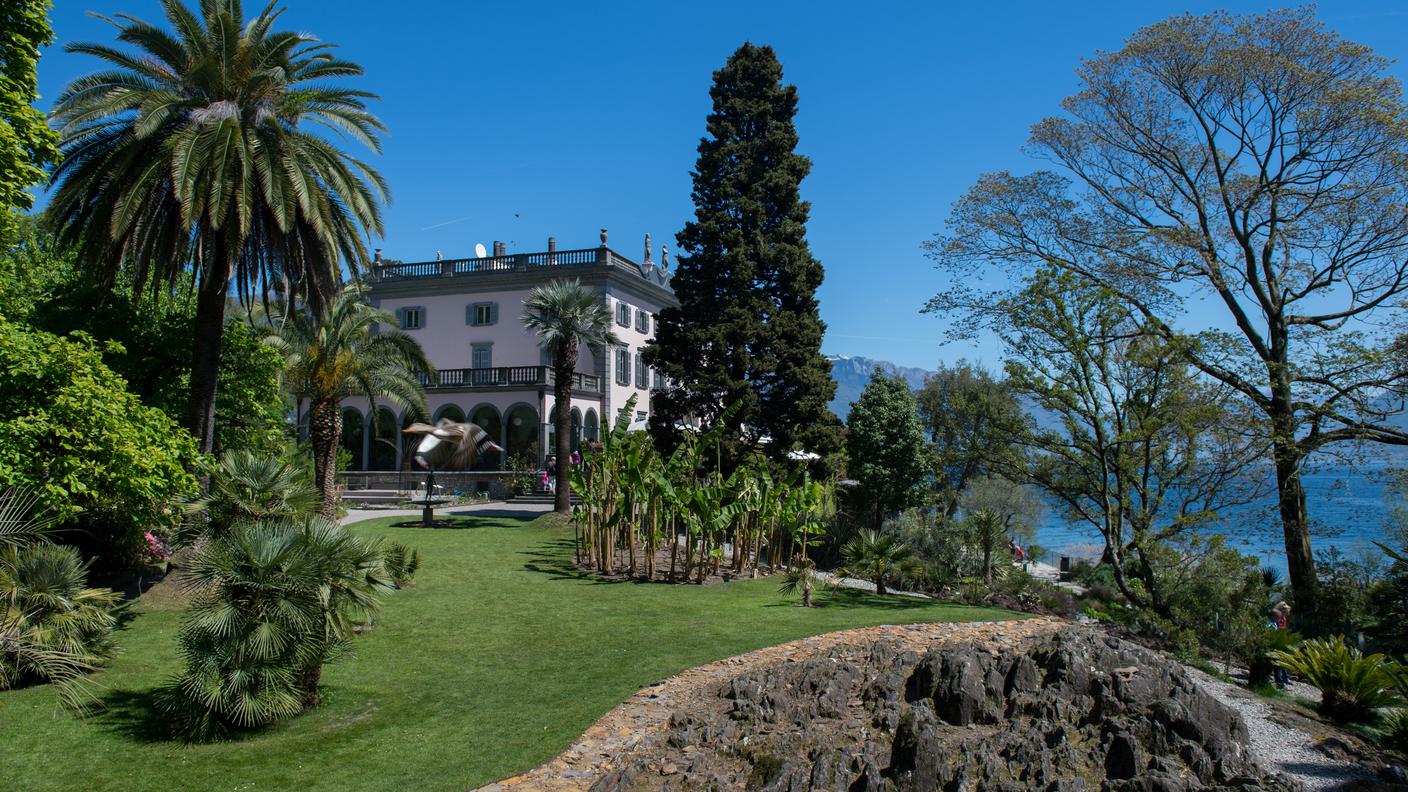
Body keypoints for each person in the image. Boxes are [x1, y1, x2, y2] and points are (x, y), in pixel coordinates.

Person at [1268, 602, 1291, 688]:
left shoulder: (1283, 619)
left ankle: (1284, 679)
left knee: (1282, 661)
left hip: (1280, 640)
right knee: (1277, 663)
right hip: (1276, 641)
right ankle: (1280, 680)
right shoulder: (1275, 620)